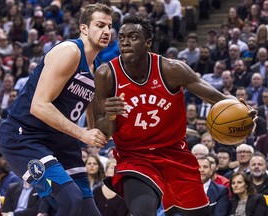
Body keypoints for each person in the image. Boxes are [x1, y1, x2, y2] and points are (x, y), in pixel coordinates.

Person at [93, 16, 255, 216]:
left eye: (133, 37)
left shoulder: (170, 69)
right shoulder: (105, 75)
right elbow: (100, 129)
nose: (125, 42)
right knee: (143, 211)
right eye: (122, 37)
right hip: (134, 156)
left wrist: (244, 115)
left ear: (148, 43)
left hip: (174, 153)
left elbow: (217, 98)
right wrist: (109, 116)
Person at [0, 3, 112, 216]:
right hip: (24, 138)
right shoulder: (69, 52)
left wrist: (95, 130)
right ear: (84, 28)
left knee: (89, 211)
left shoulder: (96, 66)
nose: (106, 31)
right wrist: (83, 134)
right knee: (69, 199)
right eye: (100, 25)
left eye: (109, 26)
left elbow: (86, 103)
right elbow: (39, 106)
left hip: (60, 142)